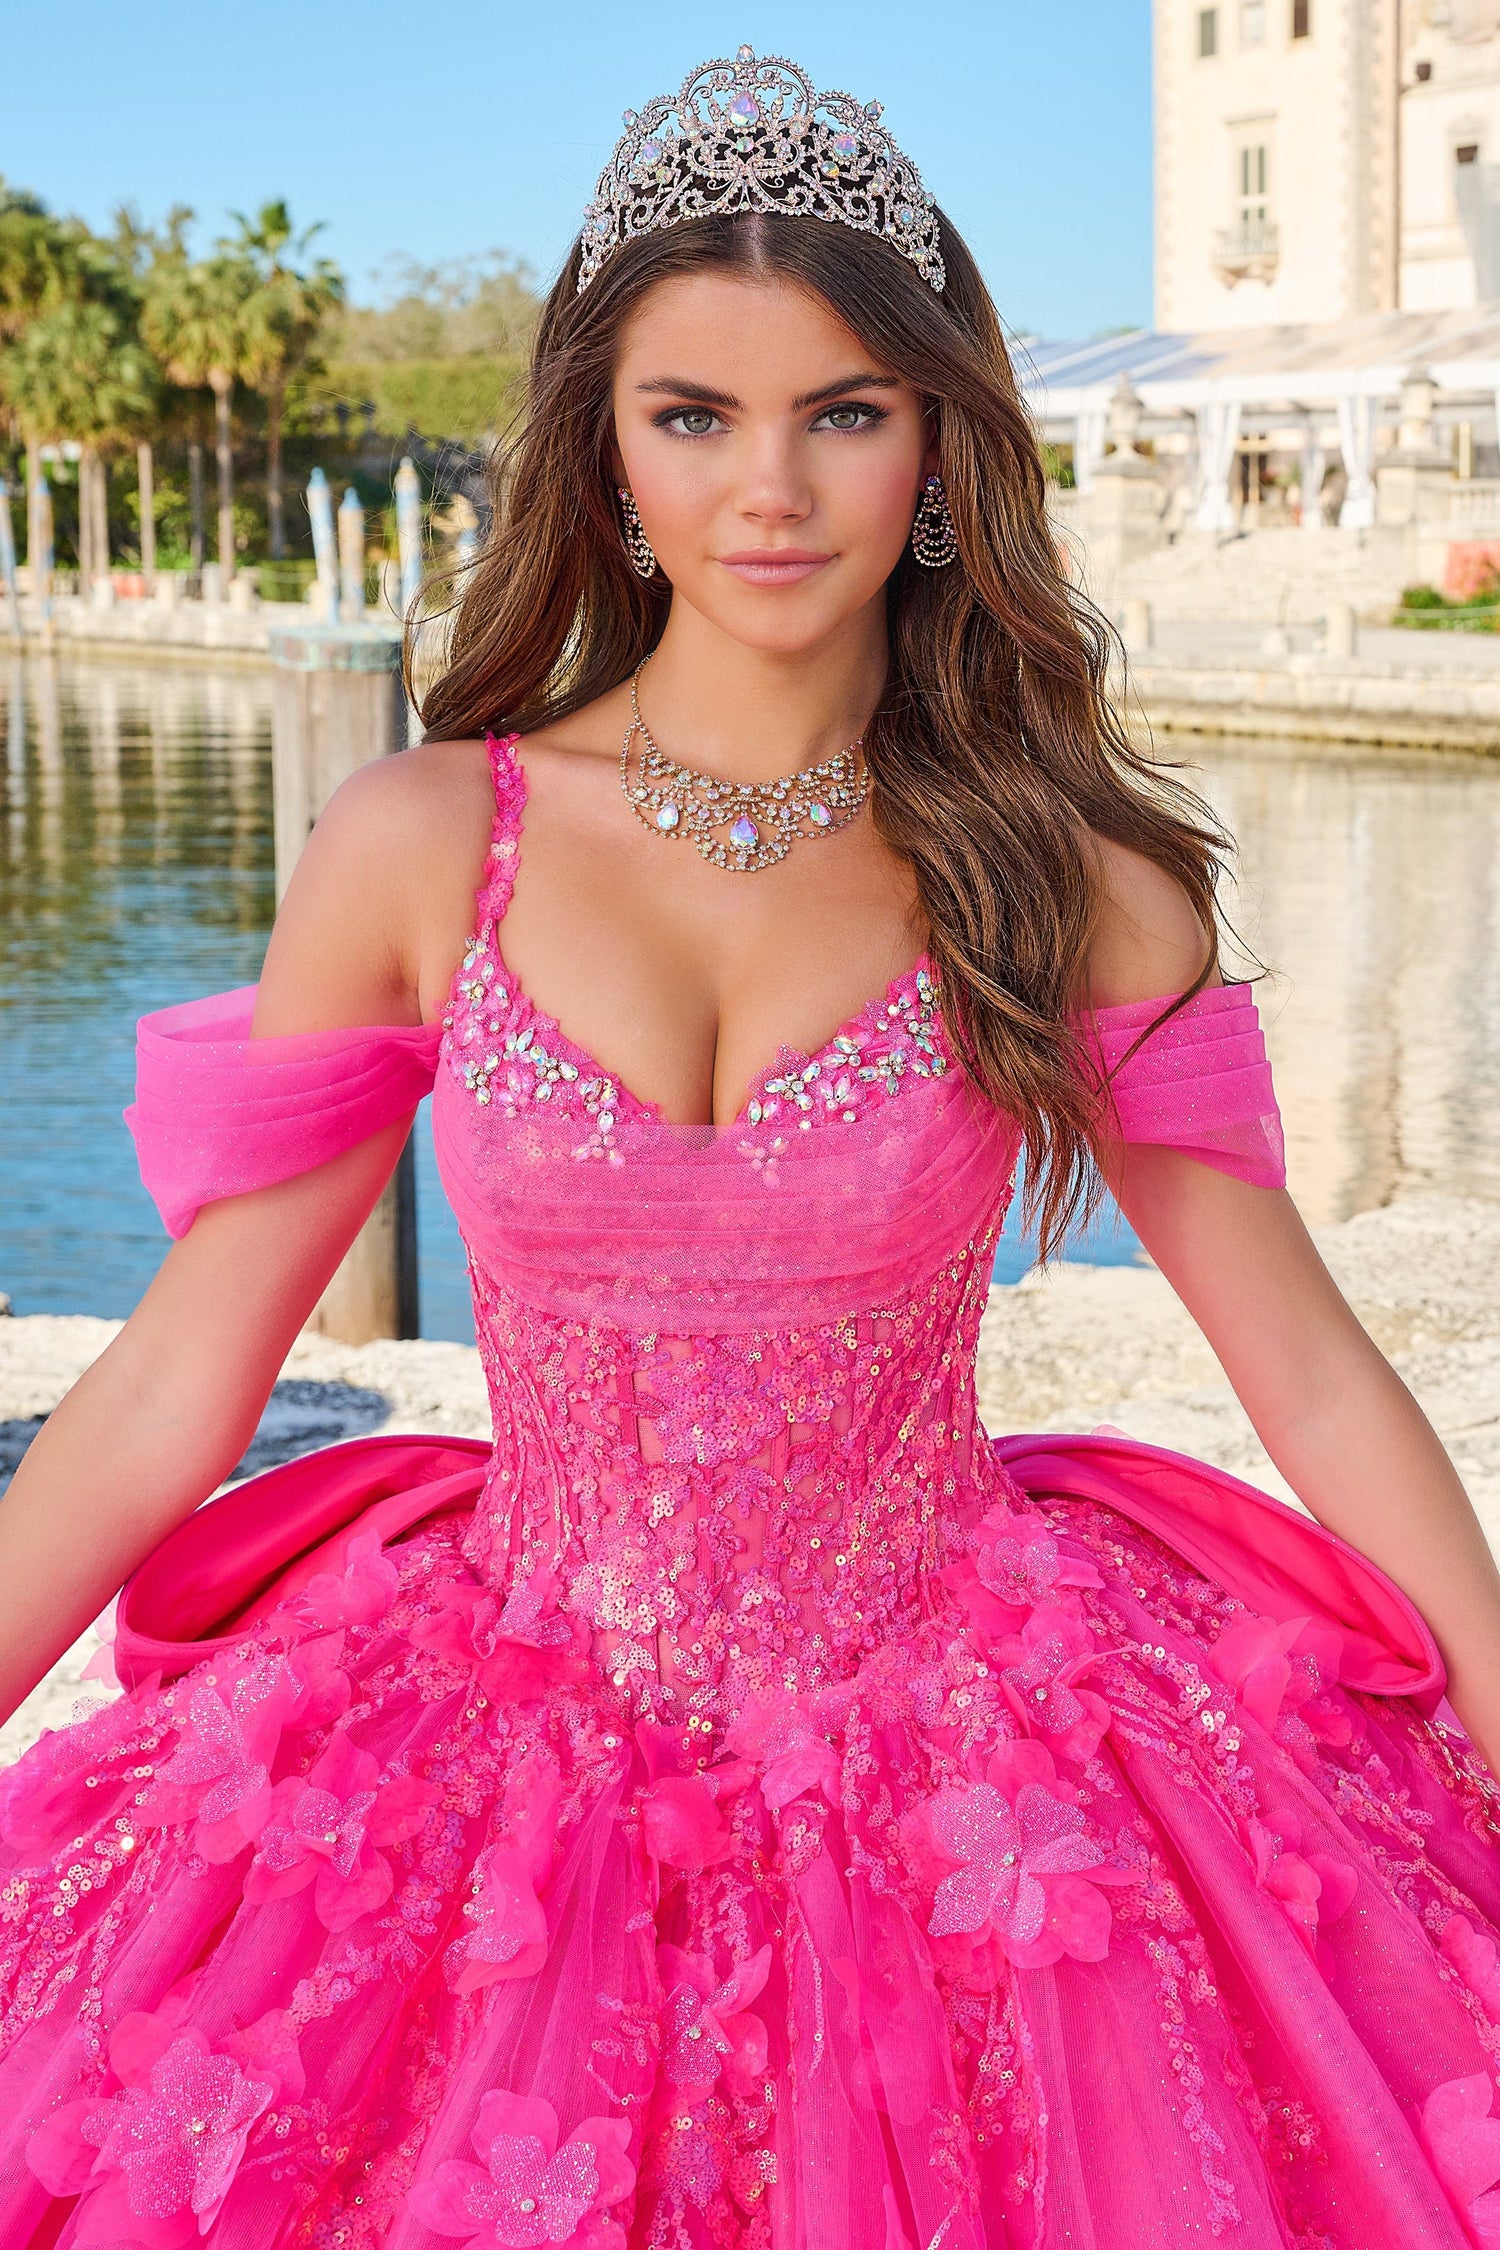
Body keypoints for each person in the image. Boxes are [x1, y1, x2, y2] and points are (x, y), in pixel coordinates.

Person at [2, 47, 1500, 2250]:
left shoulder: (1065, 875)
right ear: (603, 453)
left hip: (972, 1760)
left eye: (847, 412)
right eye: (693, 414)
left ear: (941, 452)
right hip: (487, 1755)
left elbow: (1309, 1373)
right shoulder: (428, 842)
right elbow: (167, 1387)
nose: (769, 489)